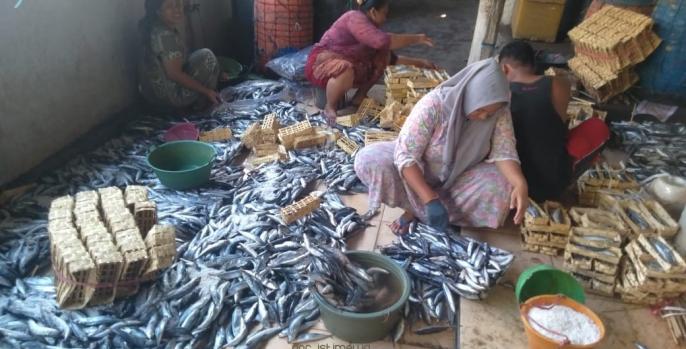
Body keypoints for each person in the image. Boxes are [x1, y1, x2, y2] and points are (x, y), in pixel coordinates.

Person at [354, 58, 529, 234]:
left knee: (503, 182)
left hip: (460, 175)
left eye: (489, 114)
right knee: (369, 160)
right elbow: (406, 156)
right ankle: (418, 209)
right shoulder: (435, 104)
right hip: (419, 170)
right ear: (470, 95)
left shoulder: (499, 110)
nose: (484, 117)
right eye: (481, 110)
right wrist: (430, 200)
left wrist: (520, 183)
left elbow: (504, 150)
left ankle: (426, 212)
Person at [498, 41, 610, 202]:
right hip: (553, 182)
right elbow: (554, 124)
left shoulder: (501, 94)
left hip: (512, 182)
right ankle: (568, 180)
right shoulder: (560, 84)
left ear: (504, 68)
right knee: (597, 126)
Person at [305, 0, 436, 125]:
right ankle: (330, 106)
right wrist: (417, 38)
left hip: (351, 62)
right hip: (322, 62)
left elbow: (391, 59)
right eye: (384, 13)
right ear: (373, 11)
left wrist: (422, 63)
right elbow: (381, 41)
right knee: (345, 68)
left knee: (382, 55)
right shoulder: (354, 17)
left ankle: (359, 97)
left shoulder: (371, 28)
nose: (385, 18)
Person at [138, 0, 224, 111]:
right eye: (169, 6)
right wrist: (206, 91)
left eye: (178, 4)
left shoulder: (155, 28)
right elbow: (174, 74)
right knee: (208, 57)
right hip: (171, 99)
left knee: (203, 58)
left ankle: (207, 96)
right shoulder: (165, 36)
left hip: (153, 97)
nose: (177, 10)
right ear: (158, 11)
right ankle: (203, 104)